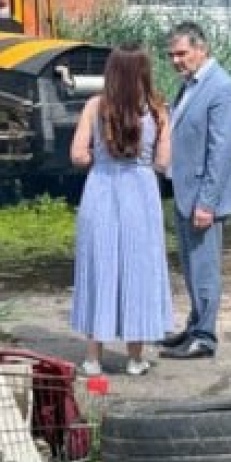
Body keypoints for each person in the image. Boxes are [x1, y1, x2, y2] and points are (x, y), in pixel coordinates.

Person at [69, 43, 173, 377]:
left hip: (101, 190)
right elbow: (162, 162)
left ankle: (92, 358)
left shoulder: (94, 106)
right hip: (141, 195)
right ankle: (134, 358)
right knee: (138, 270)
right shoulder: (157, 111)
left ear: (111, 71)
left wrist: (101, 158)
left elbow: (78, 156)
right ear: (145, 71)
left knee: (99, 266)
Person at [158, 22, 231, 360]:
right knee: (191, 266)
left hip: (202, 197)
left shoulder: (222, 88)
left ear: (201, 49)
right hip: (184, 191)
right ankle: (194, 326)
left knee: (204, 267)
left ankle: (205, 337)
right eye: (171, 55)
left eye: (182, 53)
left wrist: (206, 202)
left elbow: (220, 151)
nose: (176, 61)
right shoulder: (189, 85)